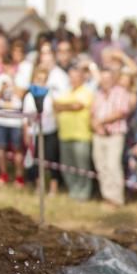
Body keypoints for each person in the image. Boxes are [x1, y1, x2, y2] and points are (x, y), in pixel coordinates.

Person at [91, 67, 132, 206]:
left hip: (115, 134)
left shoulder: (120, 93)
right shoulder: (98, 94)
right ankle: (107, 196)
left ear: (113, 79)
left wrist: (101, 121)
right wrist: (96, 125)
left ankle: (116, 199)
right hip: (99, 134)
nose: (105, 82)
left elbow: (121, 112)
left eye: (108, 79)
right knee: (101, 166)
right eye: (103, 79)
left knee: (113, 165)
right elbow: (93, 113)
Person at [54, 64, 95, 201]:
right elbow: (55, 105)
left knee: (82, 167)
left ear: (82, 78)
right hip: (64, 135)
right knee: (67, 166)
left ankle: (83, 193)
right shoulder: (66, 92)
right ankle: (73, 190)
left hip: (81, 135)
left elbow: (77, 106)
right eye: (71, 77)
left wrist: (63, 106)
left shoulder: (86, 92)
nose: (73, 80)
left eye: (76, 77)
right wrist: (68, 106)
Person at [23, 66, 61, 196]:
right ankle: (39, 186)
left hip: (49, 131)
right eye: (39, 79)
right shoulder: (28, 96)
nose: (41, 82)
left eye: (44, 80)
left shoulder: (51, 95)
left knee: (51, 160)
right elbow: (26, 118)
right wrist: (26, 133)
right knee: (36, 161)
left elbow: (56, 112)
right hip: (34, 133)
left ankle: (53, 188)